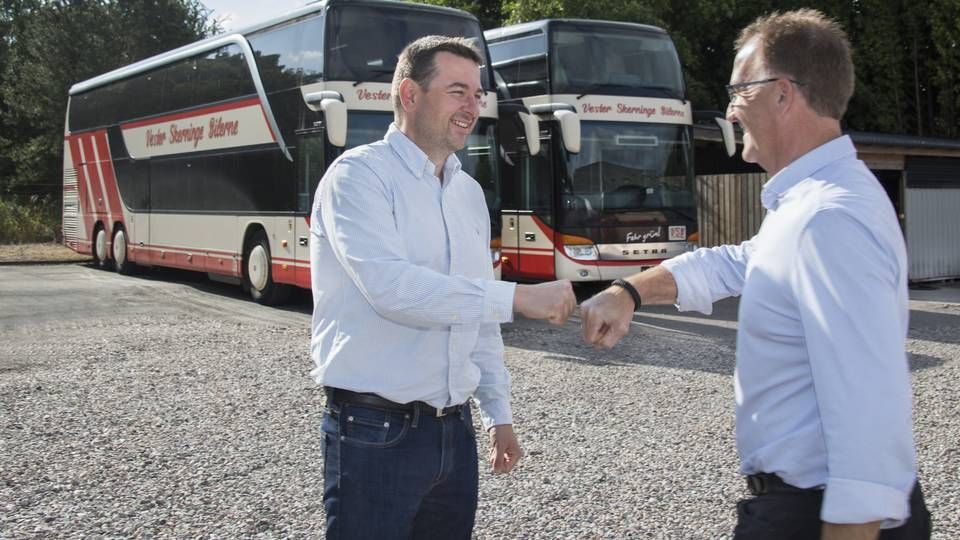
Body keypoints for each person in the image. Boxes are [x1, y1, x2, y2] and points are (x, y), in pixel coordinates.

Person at [580, 9, 930, 540]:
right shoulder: (811, 206)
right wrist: (629, 290)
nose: (730, 110)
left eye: (740, 90)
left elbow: (867, 417)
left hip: (823, 516)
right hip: (808, 507)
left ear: (784, 94)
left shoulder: (827, 218)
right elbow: (738, 262)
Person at [309, 35, 576, 539]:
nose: (473, 106)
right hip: (373, 431)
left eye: (477, 94)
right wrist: (519, 297)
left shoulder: (468, 192)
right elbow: (391, 288)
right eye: (458, 91)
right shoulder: (357, 178)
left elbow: (473, 307)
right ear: (409, 95)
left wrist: (499, 412)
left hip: (454, 432)